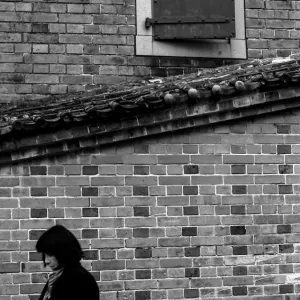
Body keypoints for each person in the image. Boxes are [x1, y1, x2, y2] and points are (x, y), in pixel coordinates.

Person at [36, 225, 99, 300]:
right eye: (44, 255)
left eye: (50, 254)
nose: (46, 261)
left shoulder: (80, 280)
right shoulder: (57, 278)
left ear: (62, 252)